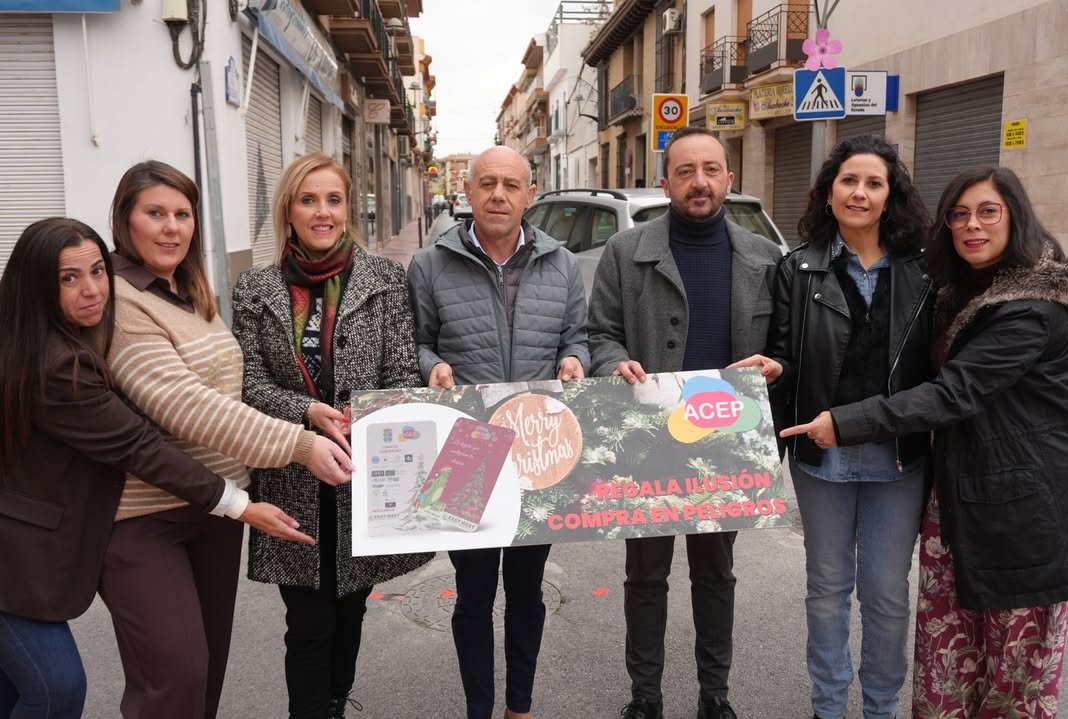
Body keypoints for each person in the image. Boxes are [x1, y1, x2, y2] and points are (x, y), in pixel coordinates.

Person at [781, 165, 1068, 719]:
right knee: (950, 666)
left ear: (1017, 217)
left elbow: (951, 393)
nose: (973, 226)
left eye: (988, 212)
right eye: (959, 214)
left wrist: (844, 422)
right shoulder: (954, 289)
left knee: (1013, 678)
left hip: (1023, 512)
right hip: (960, 496)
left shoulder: (1031, 309)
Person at [0, 218, 312, 719]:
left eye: (98, 271)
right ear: (36, 284)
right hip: (20, 561)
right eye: (68, 278)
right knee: (56, 689)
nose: (93, 290)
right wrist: (240, 505)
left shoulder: (49, 337)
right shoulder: (57, 363)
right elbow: (138, 445)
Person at [97, 161, 354, 719]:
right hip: (147, 515)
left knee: (205, 672)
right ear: (124, 221)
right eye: (155, 214)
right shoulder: (121, 301)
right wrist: (301, 441)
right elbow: (190, 406)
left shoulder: (189, 293)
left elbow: (232, 388)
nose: (171, 227)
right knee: (174, 675)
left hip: (215, 510)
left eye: (183, 214)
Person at [732, 135, 933, 719]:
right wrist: (777, 368)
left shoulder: (923, 272)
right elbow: (787, 355)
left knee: (887, 593)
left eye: (874, 183)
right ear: (828, 192)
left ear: (891, 195)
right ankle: (827, 706)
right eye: (849, 181)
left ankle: (880, 708)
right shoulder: (796, 269)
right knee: (826, 590)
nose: (860, 193)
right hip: (823, 458)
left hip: (898, 458)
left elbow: (936, 366)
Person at [589, 126, 783, 719]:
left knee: (715, 574)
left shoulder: (765, 259)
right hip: (648, 437)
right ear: (665, 181)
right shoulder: (626, 253)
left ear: (730, 178)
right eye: (684, 171)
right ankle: (644, 698)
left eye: (711, 169)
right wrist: (614, 361)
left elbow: (786, 346)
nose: (698, 182)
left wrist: (778, 365)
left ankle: (714, 697)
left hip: (724, 439)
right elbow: (601, 333)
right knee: (644, 575)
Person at [232, 152, 433, 719]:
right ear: (288, 211)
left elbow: (400, 375)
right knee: (309, 622)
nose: (322, 212)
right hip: (290, 477)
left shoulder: (385, 281)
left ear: (348, 209)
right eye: (308, 199)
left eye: (333, 200)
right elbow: (248, 383)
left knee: (350, 613)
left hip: (366, 478)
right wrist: (307, 410)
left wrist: (364, 415)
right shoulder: (256, 289)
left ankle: (335, 703)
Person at [407, 145, 590, 719]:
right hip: (467, 444)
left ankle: (521, 707)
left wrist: (575, 361)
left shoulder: (562, 263)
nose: (498, 195)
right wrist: (428, 365)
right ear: (468, 191)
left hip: (539, 441)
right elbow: (416, 338)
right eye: (487, 183)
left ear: (530, 194)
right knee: (474, 592)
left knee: (528, 591)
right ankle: (479, 709)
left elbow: (576, 336)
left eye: (511, 184)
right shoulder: (429, 264)